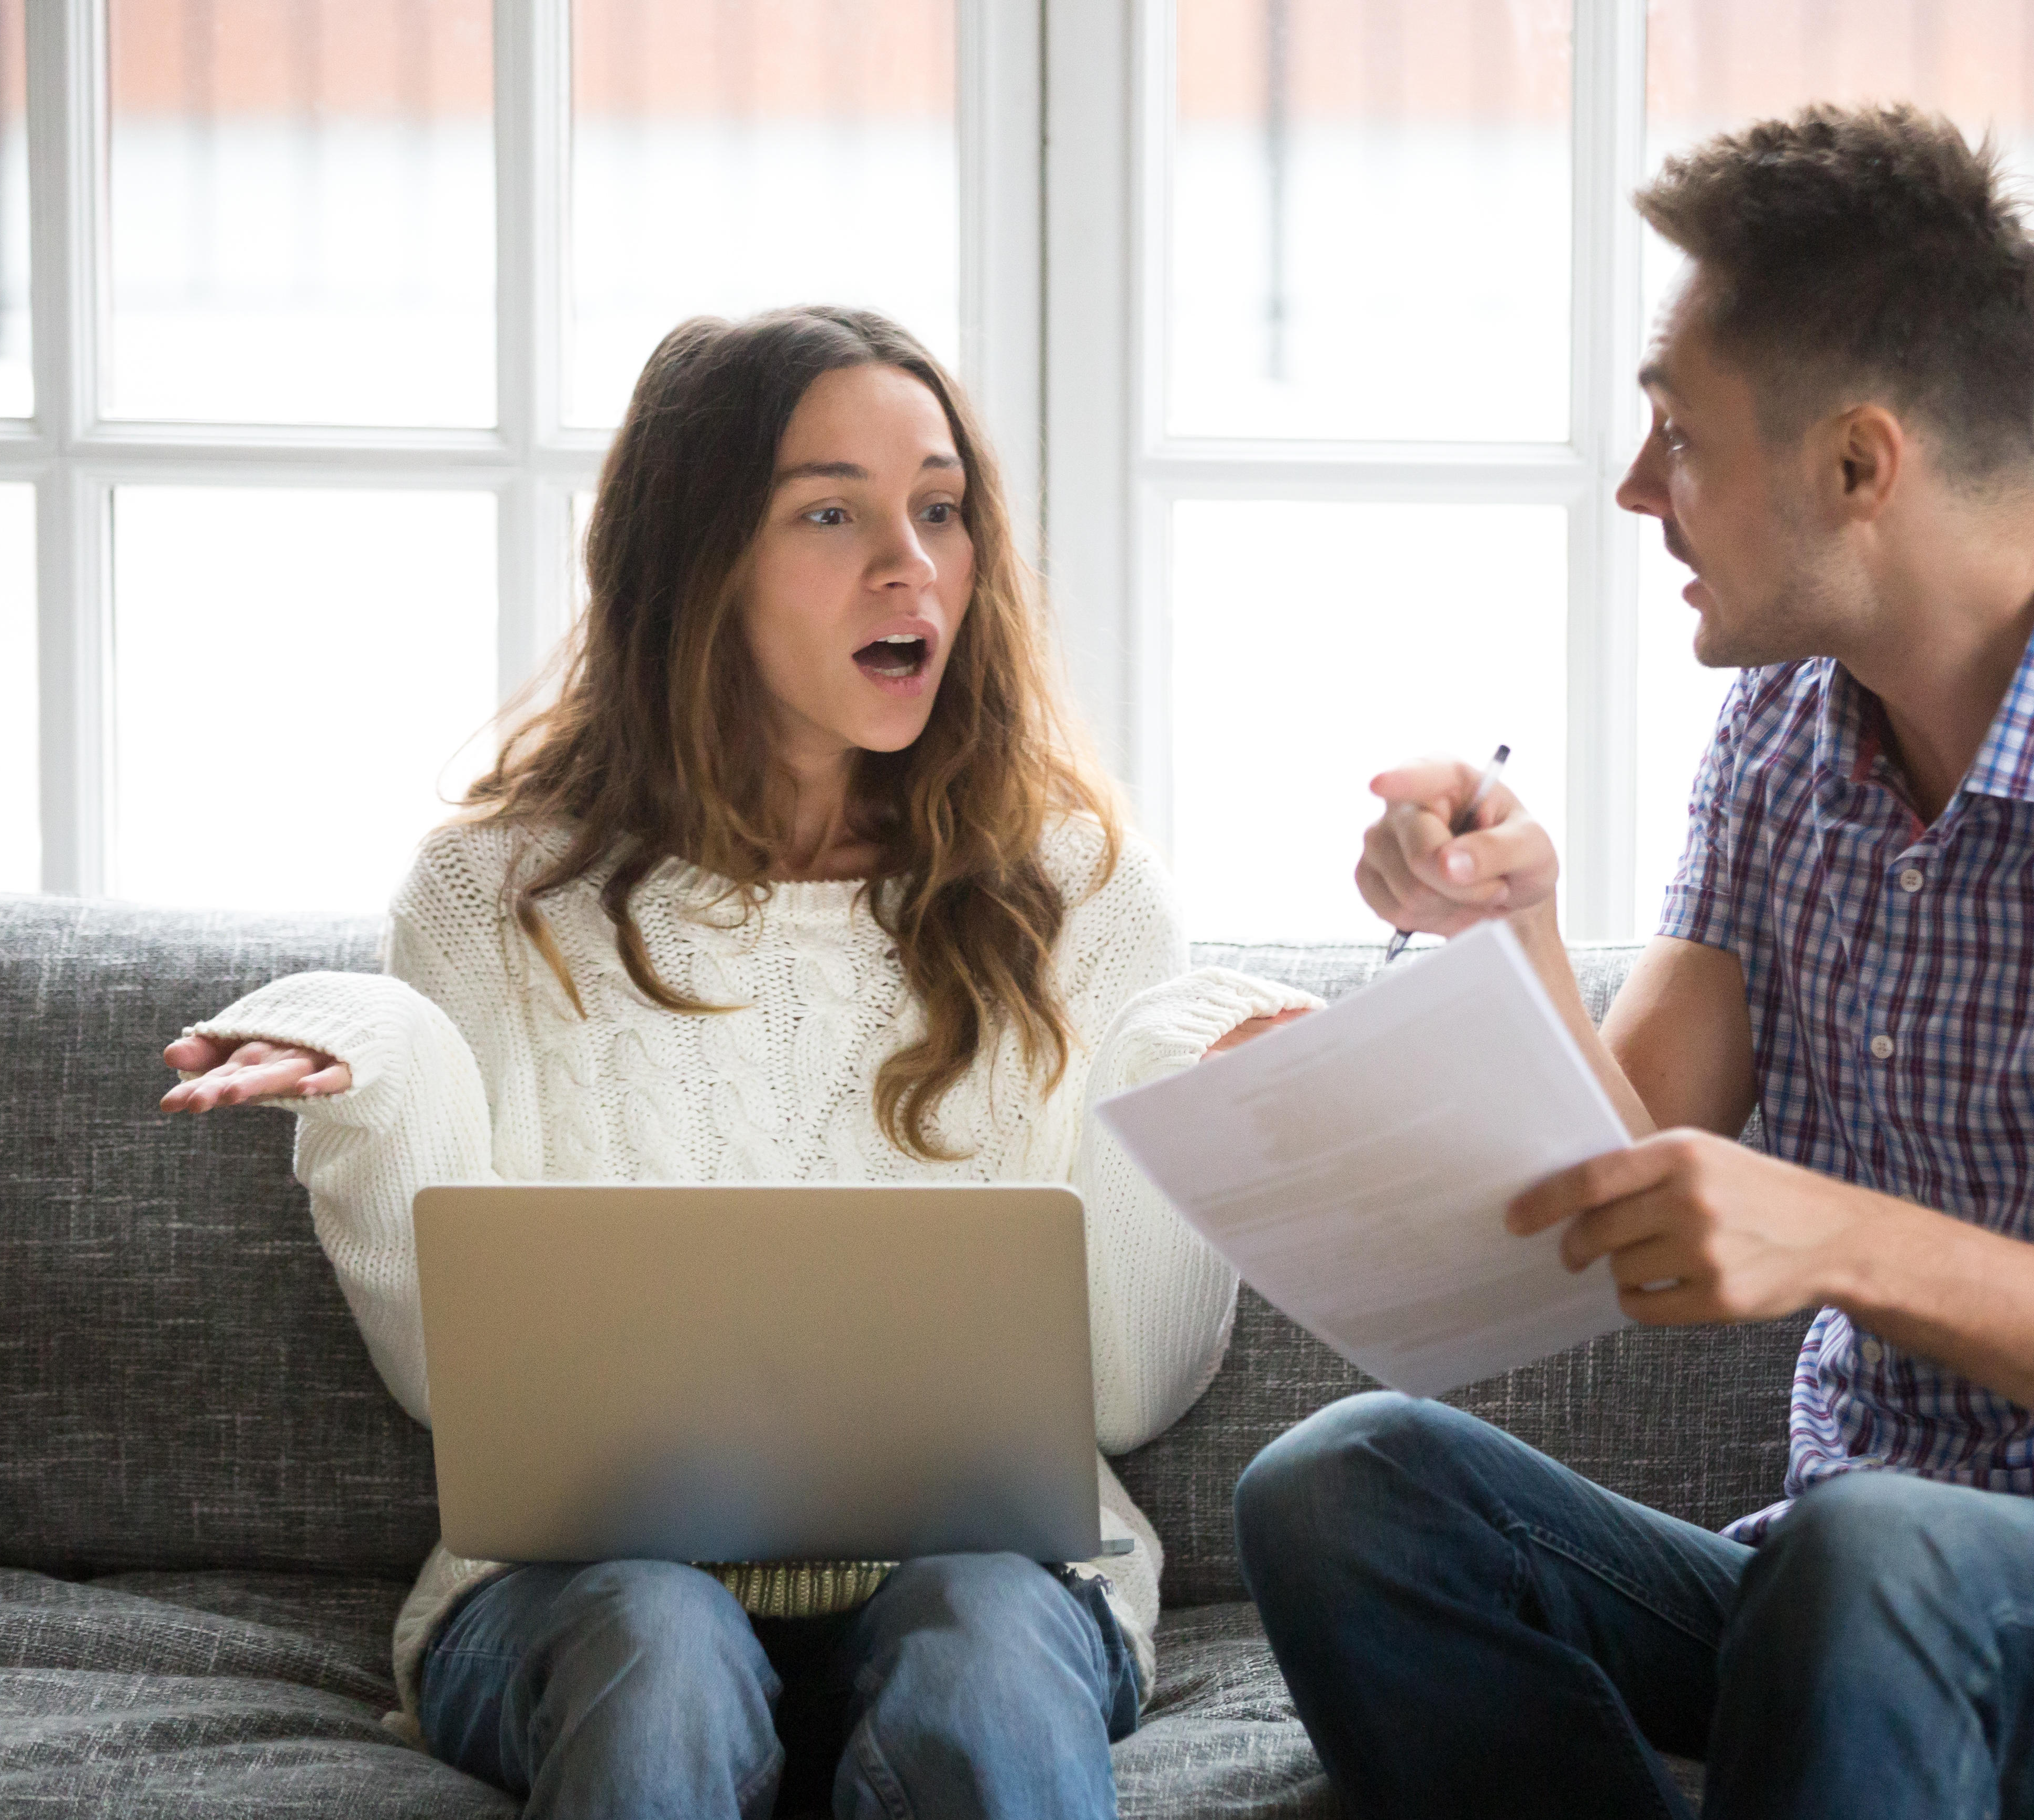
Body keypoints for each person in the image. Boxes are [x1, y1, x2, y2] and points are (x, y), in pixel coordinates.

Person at [1235, 104, 2034, 1820]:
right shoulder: (1787, 735)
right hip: (1833, 1587)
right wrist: (1491, 956)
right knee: (1342, 1486)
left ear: (1859, 467)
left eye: (1679, 439)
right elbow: (1626, 1153)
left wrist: (1853, 1244)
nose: (1642, 490)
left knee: (1878, 1548)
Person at [158, 305, 1315, 1820]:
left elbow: (1120, 1401)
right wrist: (382, 1072)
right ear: (694, 563)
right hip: (580, 1592)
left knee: (981, 1649)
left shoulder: (1083, 888)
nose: (914, 565)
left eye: (943, 508)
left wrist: (1175, 1082)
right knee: (660, 1642)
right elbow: (461, 1392)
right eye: (832, 513)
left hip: (1000, 1584)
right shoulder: (493, 892)